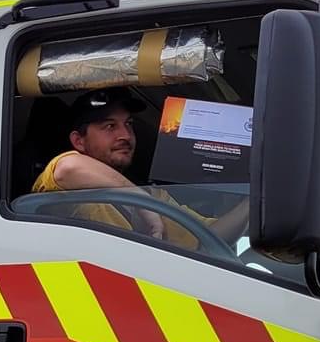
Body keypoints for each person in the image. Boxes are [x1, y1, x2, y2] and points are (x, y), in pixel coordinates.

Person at [26, 89, 249, 249]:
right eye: (110, 126)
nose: (125, 135)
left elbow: (209, 236)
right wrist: (141, 202)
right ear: (79, 141)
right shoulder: (66, 188)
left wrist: (258, 196)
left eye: (129, 124)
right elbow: (69, 167)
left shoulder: (154, 195)